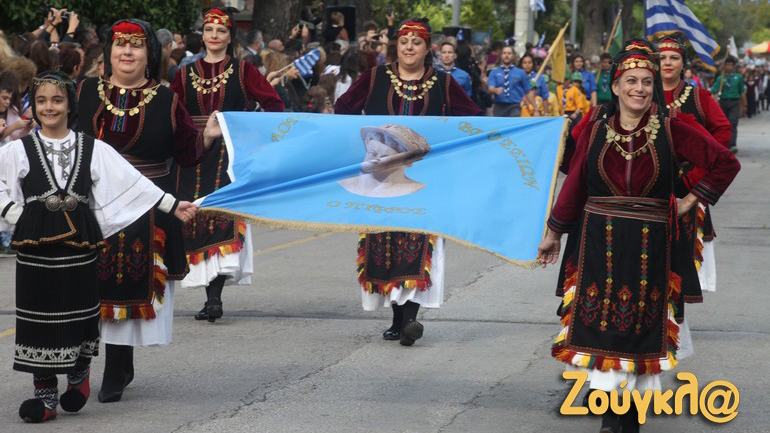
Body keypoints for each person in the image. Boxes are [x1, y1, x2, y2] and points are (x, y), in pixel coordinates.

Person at [538, 45, 740, 433]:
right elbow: (575, 184)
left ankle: (628, 417)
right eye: (631, 81)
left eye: (647, 82)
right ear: (615, 86)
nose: (641, 88)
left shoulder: (671, 127)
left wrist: (689, 200)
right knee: (600, 326)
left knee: (643, 329)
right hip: (599, 242)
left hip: (653, 245)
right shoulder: (596, 127)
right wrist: (553, 233)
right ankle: (613, 417)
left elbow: (724, 162)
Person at [1, 71, 197, 423]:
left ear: (70, 105)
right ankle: (45, 396)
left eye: (57, 100)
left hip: (79, 239)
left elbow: (131, 182)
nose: (49, 107)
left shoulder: (91, 147)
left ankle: (78, 372)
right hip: (35, 243)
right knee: (38, 315)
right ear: (34, 104)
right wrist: (16, 213)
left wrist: (172, 204)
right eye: (42, 100)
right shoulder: (18, 149)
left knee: (80, 310)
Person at [75, 18, 222, 403]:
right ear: (108, 52)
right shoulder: (86, 92)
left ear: (149, 55)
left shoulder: (168, 101)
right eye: (120, 45)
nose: (127, 52)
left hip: (145, 208)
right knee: (85, 287)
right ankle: (81, 365)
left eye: (136, 46)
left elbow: (187, 155)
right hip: (91, 203)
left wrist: (206, 135)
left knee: (123, 286)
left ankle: (117, 366)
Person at [335, 18, 481, 346]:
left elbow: (472, 118)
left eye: (416, 42)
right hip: (380, 179)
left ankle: (411, 318)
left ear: (427, 48)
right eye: (404, 42)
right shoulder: (374, 78)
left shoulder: (443, 83)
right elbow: (342, 109)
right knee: (385, 242)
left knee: (418, 243)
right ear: (396, 46)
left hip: (425, 178)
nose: (409, 47)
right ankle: (396, 318)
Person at [170, 7, 284, 322]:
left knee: (222, 218)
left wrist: (248, 130)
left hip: (229, 156)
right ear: (203, 35)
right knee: (196, 217)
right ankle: (210, 296)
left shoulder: (244, 70)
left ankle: (214, 298)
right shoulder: (183, 74)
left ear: (229, 36)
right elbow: (170, 111)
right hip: (193, 154)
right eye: (209, 30)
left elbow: (275, 104)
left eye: (221, 31)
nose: (215, 36)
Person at [657, 34, 732, 300]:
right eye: (662, 58)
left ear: (683, 64)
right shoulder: (641, 93)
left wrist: (700, 170)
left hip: (687, 183)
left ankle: (677, 305)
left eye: (674, 58)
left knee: (683, 248)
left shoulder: (698, 96)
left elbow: (722, 131)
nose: (667, 63)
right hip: (650, 183)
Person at [338, 124, 430, 197]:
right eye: (372, 153)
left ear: (408, 162)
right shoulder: (342, 182)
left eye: (385, 156)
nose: (374, 160)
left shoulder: (415, 189)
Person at [710, 57, 746, 153]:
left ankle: (732, 145)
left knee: (733, 124)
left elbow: (742, 91)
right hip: (723, 102)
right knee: (723, 125)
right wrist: (714, 105)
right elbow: (714, 92)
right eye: (726, 65)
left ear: (734, 66)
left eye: (730, 65)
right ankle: (724, 145)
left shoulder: (739, 77)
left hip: (734, 102)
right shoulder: (720, 78)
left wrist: (745, 105)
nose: (728, 67)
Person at [487, 46, 529, 117]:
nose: (506, 55)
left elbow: (528, 91)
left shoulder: (521, 73)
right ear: (501, 56)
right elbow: (490, 87)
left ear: (513, 56)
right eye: (504, 53)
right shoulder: (494, 72)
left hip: (514, 106)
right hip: (499, 106)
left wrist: (535, 108)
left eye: (509, 53)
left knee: (514, 121)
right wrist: (495, 90)